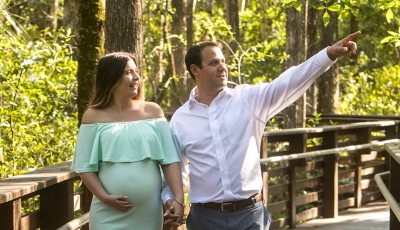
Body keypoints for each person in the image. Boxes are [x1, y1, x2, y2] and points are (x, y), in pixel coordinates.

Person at [162, 31, 361, 230]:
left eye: (223, 61)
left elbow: (290, 81)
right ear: (195, 69)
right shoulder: (180, 119)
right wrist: (171, 199)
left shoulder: (249, 99)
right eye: (214, 63)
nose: (223, 67)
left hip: (250, 215)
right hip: (205, 219)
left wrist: (328, 55)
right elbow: (175, 170)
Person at [71, 52, 184, 230]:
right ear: (111, 78)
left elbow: (170, 160)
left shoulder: (153, 112)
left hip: (147, 214)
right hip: (107, 212)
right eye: (128, 72)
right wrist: (104, 197)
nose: (136, 77)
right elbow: (84, 166)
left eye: (136, 71)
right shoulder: (93, 116)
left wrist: (178, 198)